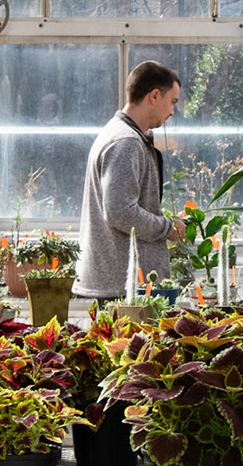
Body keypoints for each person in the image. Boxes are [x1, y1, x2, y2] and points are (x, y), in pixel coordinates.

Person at [76, 61, 188, 302]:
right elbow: (120, 211)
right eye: (173, 102)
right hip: (123, 289)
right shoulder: (126, 142)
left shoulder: (120, 134)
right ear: (155, 96)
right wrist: (168, 227)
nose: (172, 112)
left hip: (121, 284)